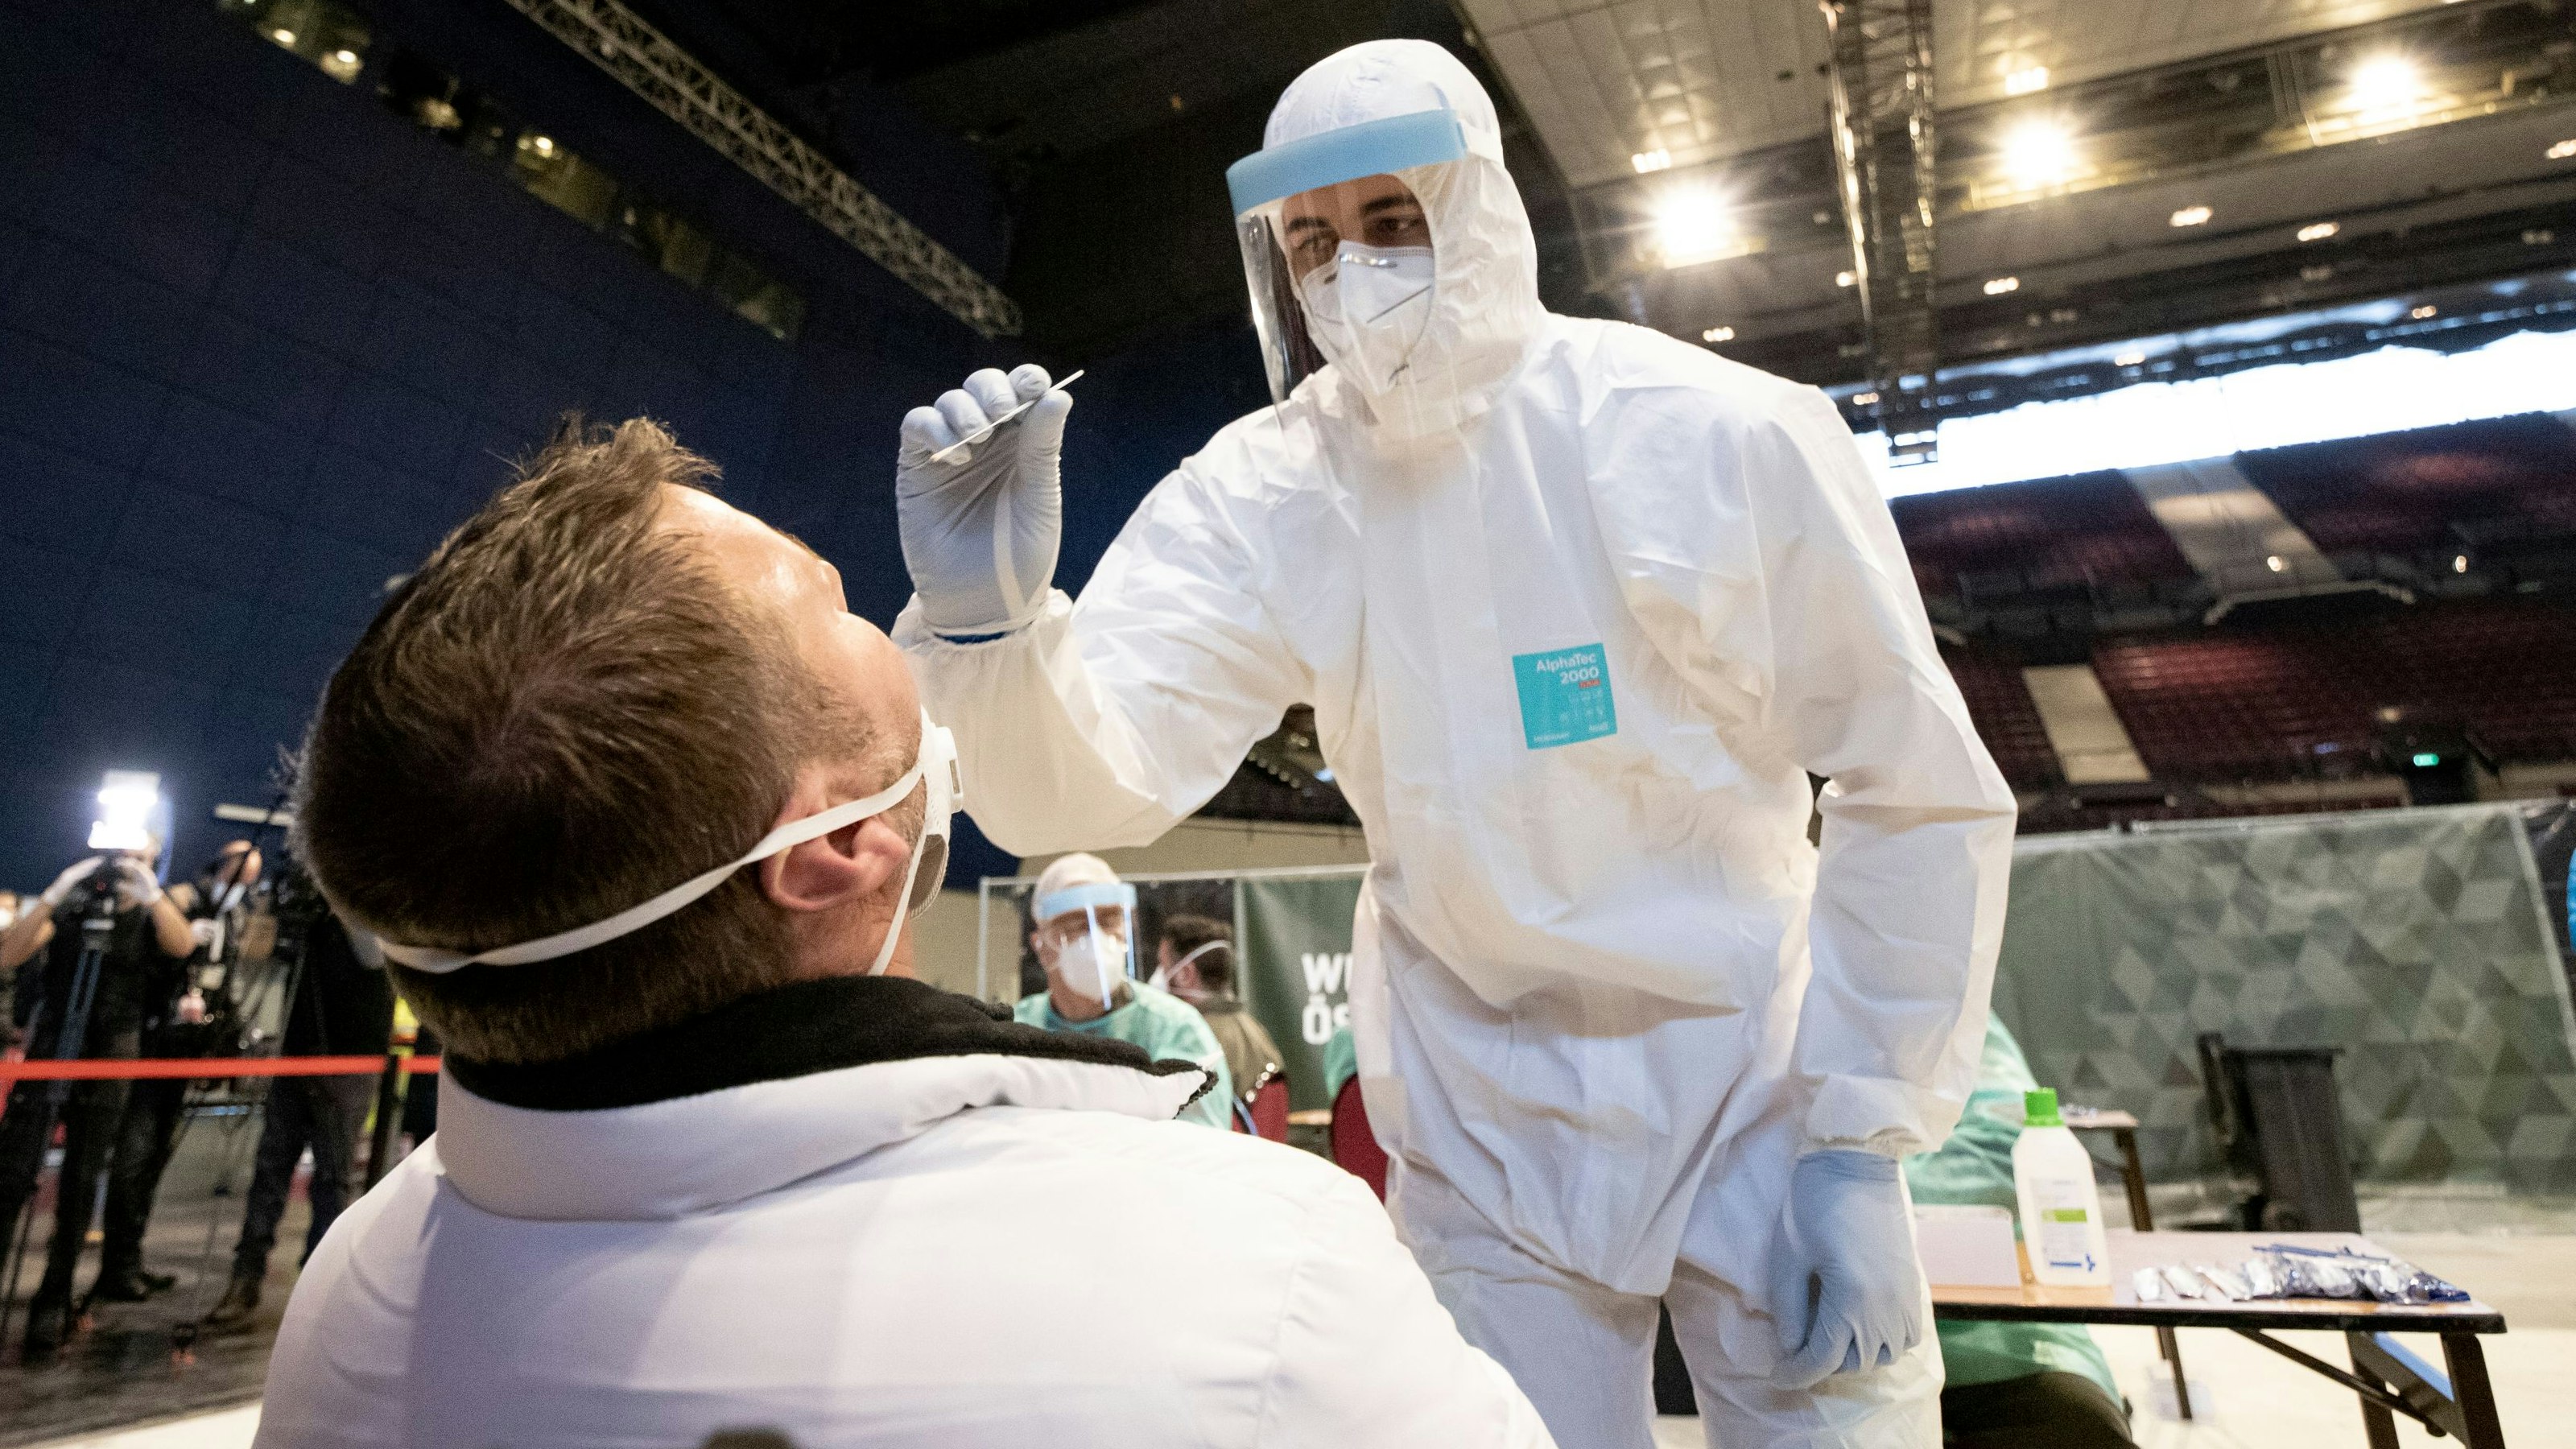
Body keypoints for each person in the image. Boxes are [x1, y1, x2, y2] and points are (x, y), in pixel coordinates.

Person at [890, 39, 2015, 1449]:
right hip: (1481, 1109)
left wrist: (1855, 1133)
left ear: (1479, 209)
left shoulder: (1706, 431)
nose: (1348, 269)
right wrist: (992, 634)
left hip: (1757, 1081)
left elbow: (1910, 778)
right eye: (1309, 239)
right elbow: (1094, 777)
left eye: (1390, 219)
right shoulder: (1270, 491)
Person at [253, 418, 1552, 1449]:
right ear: (838, 847)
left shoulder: (362, 1285)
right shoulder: (1257, 1268)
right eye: (839, 607)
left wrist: (1001, 644)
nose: (885, 615)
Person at [0, 837, 195, 1362]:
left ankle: (54, 1299)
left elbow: (183, 946)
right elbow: (9, 953)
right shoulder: (75, 903)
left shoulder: (154, 907)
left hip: (116, 1044)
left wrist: (150, 894)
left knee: (83, 1176)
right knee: (13, 1168)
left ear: (155, 858)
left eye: (142, 850)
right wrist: (57, 892)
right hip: (55, 1040)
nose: (127, 857)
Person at [1904, 1015, 2134, 1449]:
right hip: (1788, 1368)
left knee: (2075, 1431)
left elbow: (2006, 1150)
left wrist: (1859, 1187)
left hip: (1990, 1345)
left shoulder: (1940, 1006)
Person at [203, 904, 393, 1327]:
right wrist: (273, 910)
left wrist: (337, 894)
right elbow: (254, 956)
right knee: (270, 1168)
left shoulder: (363, 896)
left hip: (349, 1055)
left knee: (334, 1176)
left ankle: (320, 1286)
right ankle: (245, 1277)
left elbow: (373, 954)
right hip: (296, 1049)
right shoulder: (306, 906)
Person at [96, 838, 266, 1302]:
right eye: (242, 866)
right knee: (137, 1151)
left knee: (154, 1156)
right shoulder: (186, 898)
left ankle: (130, 1259)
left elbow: (246, 958)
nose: (249, 875)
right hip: (157, 1044)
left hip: (189, 1047)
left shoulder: (236, 914)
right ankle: (118, 1265)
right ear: (224, 864)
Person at [1015, 855, 1234, 1128]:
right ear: (1041, 946)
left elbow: (1200, 1149)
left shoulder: (1176, 1030)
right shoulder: (1016, 1032)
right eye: (1078, 924)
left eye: (1108, 922)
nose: (1097, 939)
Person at [1154, 913, 1284, 1099]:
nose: (1158, 976)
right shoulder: (1256, 1031)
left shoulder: (1190, 1040)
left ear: (1186, 974)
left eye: (1162, 965)